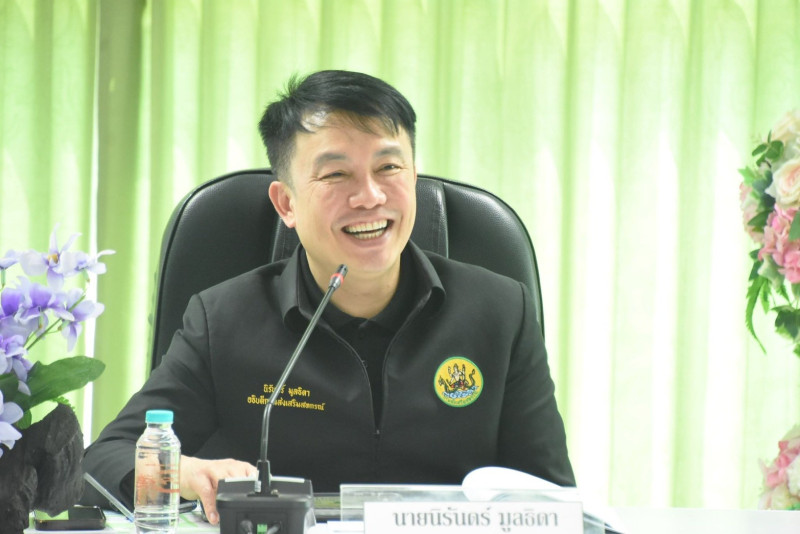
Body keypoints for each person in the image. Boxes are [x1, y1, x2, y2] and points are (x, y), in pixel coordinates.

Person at [82, 70, 575, 524]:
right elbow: (104, 460)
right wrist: (183, 472)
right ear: (286, 203)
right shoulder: (223, 320)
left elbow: (554, 502)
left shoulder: (500, 312)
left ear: (413, 178)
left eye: (389, 167)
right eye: (336, 175)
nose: (370, 197)